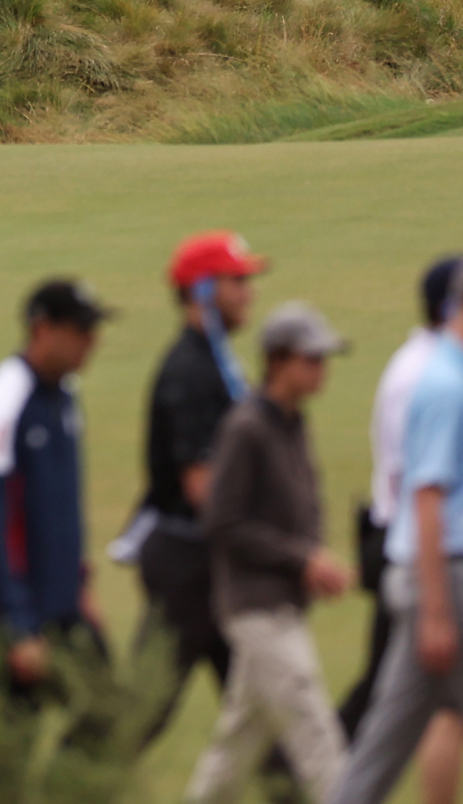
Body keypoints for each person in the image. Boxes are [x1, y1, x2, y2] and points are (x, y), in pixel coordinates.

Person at [326, 253, 463, 804]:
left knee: (382, 747)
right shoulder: (447, 386)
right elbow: (426, 497)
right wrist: (438, 610)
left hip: (439, 577)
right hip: (452, 576)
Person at [185, 304, 358, 804]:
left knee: (234, 749)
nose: (322, 369)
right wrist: (303, 560)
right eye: (312, 358)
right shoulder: (247, 428)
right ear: (278, 362)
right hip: (257, 608)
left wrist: (311, 560)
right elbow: (222, 521)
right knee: (318, 741)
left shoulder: (292, 422)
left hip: (280, 605)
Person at [141, 233, 270, 748]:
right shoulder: (190, 371)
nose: (248, 293)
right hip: (189, 566)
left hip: (209, 559)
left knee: (262, 709)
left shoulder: (214, 360)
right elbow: (202, 488)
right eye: (237, 281)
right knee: (141, 710)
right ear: (201, 291)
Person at [0, 276, 116, 704]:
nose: (92, 342)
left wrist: (80, 584)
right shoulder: (2, 402)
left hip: (61, 603)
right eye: (81, 332)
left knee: (103, 713)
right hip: (17, 611)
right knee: (15, 735)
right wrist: (18, 626)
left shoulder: (65, 394)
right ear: (43, 330)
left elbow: (63, 507)